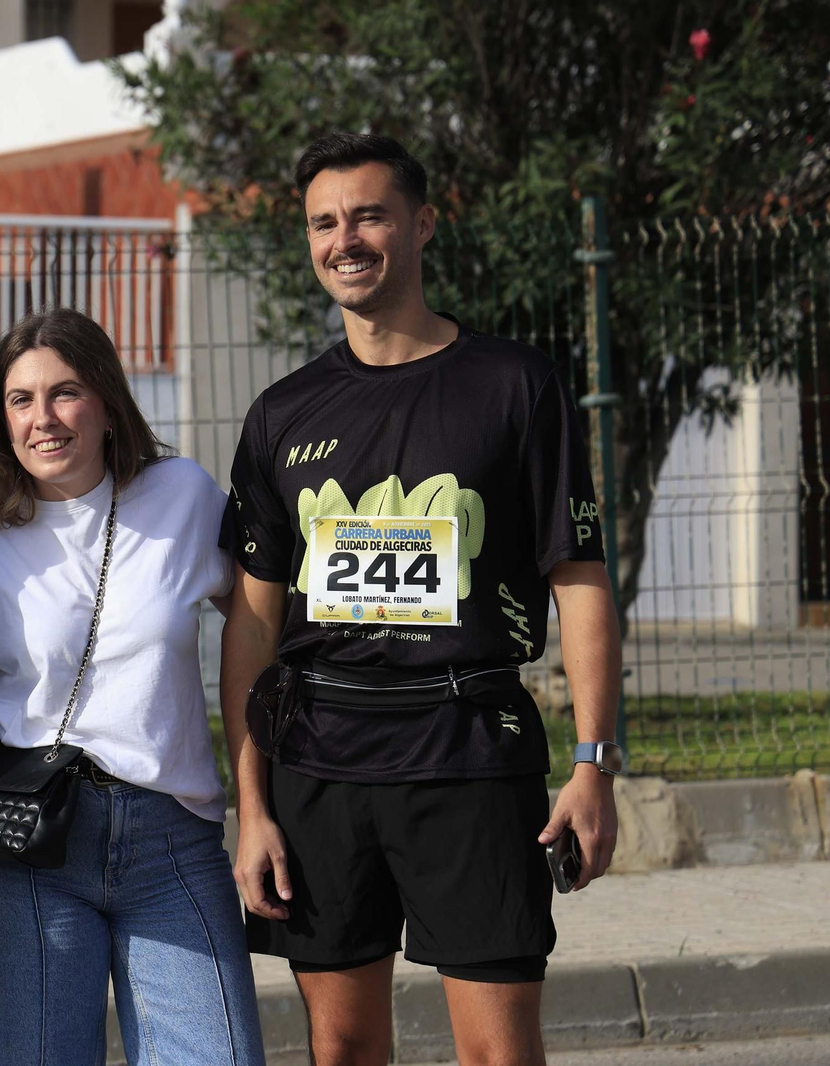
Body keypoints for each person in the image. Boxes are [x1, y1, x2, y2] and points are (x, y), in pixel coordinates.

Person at [219, 133, 623, 1066]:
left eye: (368, 214)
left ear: (423, 223)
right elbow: (250, 624)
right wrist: (253, 806)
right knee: (343, 1051)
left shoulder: (516, 385)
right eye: (324, 222)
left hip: (472, 759)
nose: (344, 239)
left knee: (498, 1057)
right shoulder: (281, 413)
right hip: (318, 767)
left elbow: (582, 584)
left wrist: (596, 765)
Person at [0, 307, 266, 1066]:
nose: (43, 419)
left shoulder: (183, 497)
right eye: (20, 400)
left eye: (64, 393)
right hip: (23, 842)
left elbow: (263, 632)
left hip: (172, 840)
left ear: (105, 400)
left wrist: (262, 806)